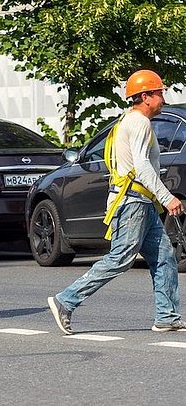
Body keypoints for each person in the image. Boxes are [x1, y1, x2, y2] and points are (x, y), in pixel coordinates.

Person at [48, 69, 185, 334]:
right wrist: (167, 197)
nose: (163, 99)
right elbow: (143, 167)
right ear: (145, 96)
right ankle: (65, 300)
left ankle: (166, 317)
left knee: (165, 257)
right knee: (120, 258)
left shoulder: (130, 121)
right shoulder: (139, 123)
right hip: (133, 202)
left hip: (140, 202)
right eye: (159, 93)